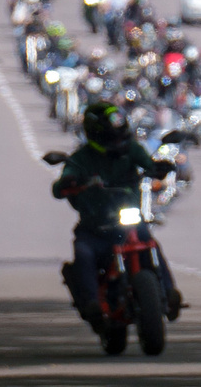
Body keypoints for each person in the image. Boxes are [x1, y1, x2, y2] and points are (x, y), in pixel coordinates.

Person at [54, 101, 183, 330]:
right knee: (84, 254)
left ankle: (170, 293)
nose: (117, 142)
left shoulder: (132, 149)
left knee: (150, 243)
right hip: (96, 228)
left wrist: (159, 168)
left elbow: (148, 164)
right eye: (111, 137)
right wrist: (70, 182)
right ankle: (92, 304)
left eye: (119, 136)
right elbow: (61, 185)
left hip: (128, 222)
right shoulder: (81, 158)